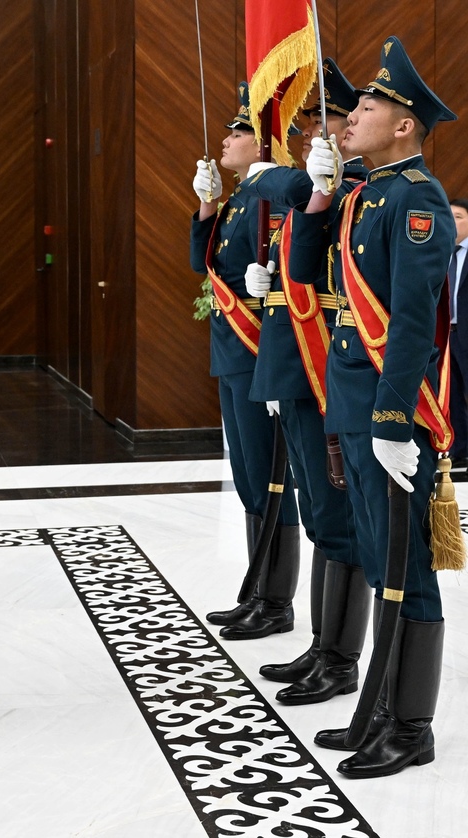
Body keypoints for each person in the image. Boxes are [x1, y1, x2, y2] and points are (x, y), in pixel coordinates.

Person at [290, 36, 457, 779]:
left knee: (405, 566)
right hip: (351, 401)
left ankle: (411, 727)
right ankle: (381, 710)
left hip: (389, 410)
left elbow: (415, 321)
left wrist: (393, 421)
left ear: (405, 125)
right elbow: (303, 270)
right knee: (373, 549)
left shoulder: (417, 199)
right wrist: (320, 192)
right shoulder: (361, 194)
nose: (350, 119)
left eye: (366, 108)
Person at [242, 59, 371, 706]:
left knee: (338, 519)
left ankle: (341, 660)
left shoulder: (358, 189)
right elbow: (295, 269)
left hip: (328, 374)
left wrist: (302, 182)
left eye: (323, 122)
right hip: (296, 369)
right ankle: (324, 646)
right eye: (304, 125)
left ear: (348, 128)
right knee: (320, 516)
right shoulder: (319, 190)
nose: (308, 135)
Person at [190, 83, 301, 641]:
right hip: (231, 352)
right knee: (248, 479)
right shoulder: (239, 199)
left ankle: (276, 602)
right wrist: (207, 206)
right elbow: (201, 262)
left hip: (258, 352)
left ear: (262, 145)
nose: (226, 140)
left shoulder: (271, 195)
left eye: (237, 132)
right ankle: (259, 590)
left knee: (268, 477)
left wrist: (271, 280)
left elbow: (293, 266)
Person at [445, 198, 468, 470]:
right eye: (448, 216)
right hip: (447, 334)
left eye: (459, 217)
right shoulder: (442, 253)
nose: (452, 222)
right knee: (451, 394)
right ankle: (460, 450)